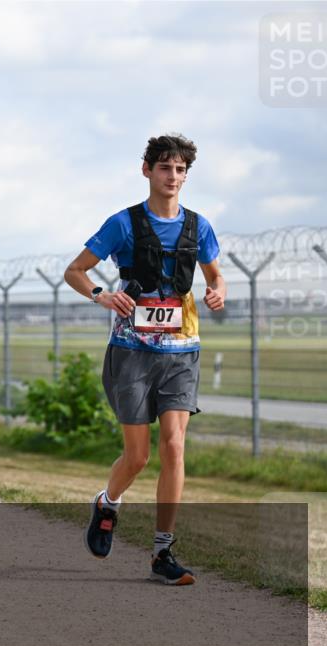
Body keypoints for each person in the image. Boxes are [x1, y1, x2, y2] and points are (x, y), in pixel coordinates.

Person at [64, 134, 226, 586]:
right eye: (164, 168)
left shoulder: (200, 226)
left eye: (180, 170)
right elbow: (74, 270)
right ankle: (108, 503)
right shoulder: (123, 223)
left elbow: (216, 276)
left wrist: (217, 292)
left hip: (182, 350)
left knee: (175, 445)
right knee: (137, 456)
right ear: (147, 170)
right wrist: (101, 295)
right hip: (132, 351)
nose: (172, 177)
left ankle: (162, 552)